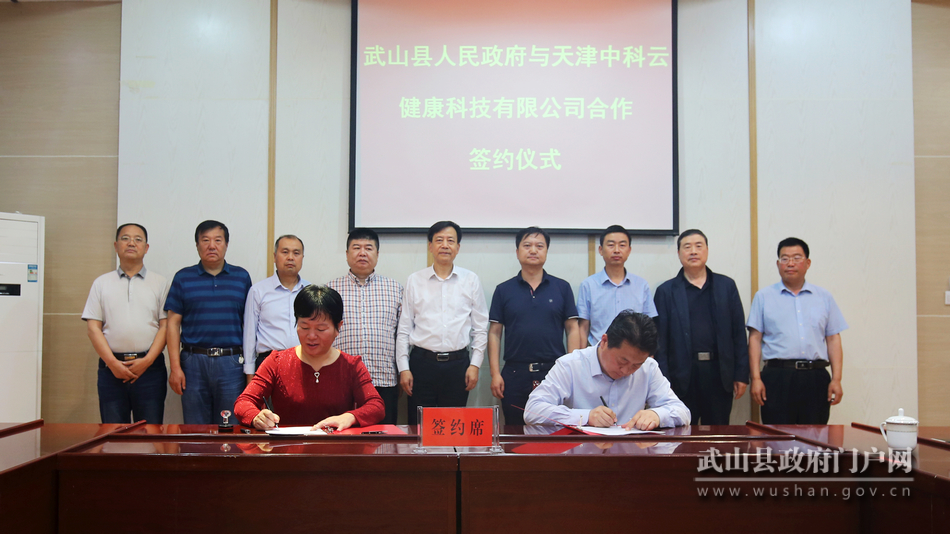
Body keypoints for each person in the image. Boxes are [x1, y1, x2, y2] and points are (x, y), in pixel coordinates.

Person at [235, 285, 384, 430]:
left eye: (321, 329)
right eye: (304, 327)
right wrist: (256, 417)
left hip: (335, 444)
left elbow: (376, 406)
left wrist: (350, 417)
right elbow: (243, 402)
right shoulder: (277, 361)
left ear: (338, 327)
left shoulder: (351, 365)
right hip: (288, 445)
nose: (311, 336)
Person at [525, 310, 690, 429]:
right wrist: (585, 417)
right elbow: (533, 410)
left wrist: (657, 415)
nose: (626, 371)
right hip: (580, 456)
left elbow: (682, 412)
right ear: (604, 341)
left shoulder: (649, 367)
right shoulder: (570, 365)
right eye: (622, 361)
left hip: (632, 456)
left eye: (636, 365)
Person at [396, 221, 489, 425]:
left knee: (453, 428)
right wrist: (404, 367)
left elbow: (480, 328)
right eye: (439, 240)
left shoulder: (470, 280)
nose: (445, 245)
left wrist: (475, 365)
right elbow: (404, 328)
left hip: (458, 366)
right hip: (421, 365)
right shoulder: (415, 280)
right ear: (430, 246)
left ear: (458, 247)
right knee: (419, 428)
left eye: (450, 241)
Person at [747, 238, 847, 424]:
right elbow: (754, 339)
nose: (790, 263)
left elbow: (833, 339)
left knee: (814, 436)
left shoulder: (824, 297)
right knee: (777, 436)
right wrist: (756, 378)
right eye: (784, 259)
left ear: (808, 263)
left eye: (796, 258)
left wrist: (836, 379)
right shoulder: (764, 297)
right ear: (778, 264)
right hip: (777, 377)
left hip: (815, 377)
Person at [653, 229, 749, 425]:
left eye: (698, 246)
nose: (693, 251)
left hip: (719, 374)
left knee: (718, 432)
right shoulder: (666, 291)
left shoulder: (726, 286)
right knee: (680, 432)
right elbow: (659, 341)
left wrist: (741, 374)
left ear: (707, 250)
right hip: (681, 376)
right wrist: (664, 381)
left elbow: (738, 333)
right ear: (679, 253)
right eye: (687, 247)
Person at [488, 226, 581, 425]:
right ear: (517, 252)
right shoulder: (503, 290)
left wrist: (572, 369)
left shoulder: (562, 287)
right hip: (514, 374)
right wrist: (495, 374)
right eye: (527, 245)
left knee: (553, 428)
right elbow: (495, 333)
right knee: (514, 428)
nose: (533, 250)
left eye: (539, 246)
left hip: (554, 372)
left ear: (546, 251)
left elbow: (573, 329)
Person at [165, 220, 252, 424]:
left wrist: (250, 370)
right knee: (195, 428)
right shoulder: (183, 277)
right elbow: (172, 324)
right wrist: (175, 368)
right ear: (197, 245)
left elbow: (250, 325)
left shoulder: (241, 277)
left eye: (217, 240)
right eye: (205, 240)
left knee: (230, 426)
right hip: (193, 362)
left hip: (231, 363)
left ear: (226, 244)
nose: (211, 246)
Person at [82, 223, 169, 424]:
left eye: (138, 239)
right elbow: (93, 328)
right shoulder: (101, 283)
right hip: (111, 370)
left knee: (150, 433)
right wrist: (113, 364)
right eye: (125, 238)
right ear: (116, 245)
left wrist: (147, 361)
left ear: (146, 248)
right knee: (114, 433)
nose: (131, 243)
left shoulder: (160, 283)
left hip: (150, 370)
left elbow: (165, 327)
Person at [326, 228, 403, 424]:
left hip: (384, 379)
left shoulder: (395, 289)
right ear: (347, 254)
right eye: (356, 248)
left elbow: (403, 335)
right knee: (343, 436)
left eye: (368, 248)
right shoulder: (330, 289)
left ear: (377, 254)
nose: (362, 253)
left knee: (385, 437)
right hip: (341, 381)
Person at [577, 225, 657, 347]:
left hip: (634, 352)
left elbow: (649, 327)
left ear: (629, 250)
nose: (616, 250)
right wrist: (582, 356)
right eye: (611, 245)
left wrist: (649, 356)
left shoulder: (641, 285)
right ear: (600, 250)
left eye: (622, 245)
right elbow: (583, 328)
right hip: (599, 351)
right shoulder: (588, 285)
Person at [243, 235, 309, 380]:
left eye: (296, 253)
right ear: (274, 257)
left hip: (305, 363)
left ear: (302, 258)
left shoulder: (310, 292)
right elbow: (249, 336)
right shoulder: (258, 291)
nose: (290, 257)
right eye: (285, 252)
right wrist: (250, 375)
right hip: (268, 364)